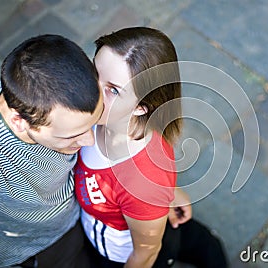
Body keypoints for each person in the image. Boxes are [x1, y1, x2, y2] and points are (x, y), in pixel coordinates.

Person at [74, 27, 227, 268]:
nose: (93, 92)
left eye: (113, 90)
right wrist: (169, 193)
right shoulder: (99, 117)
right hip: (149, 217)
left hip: (119, 256)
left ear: (141, 107)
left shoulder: (140, 182)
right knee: (202, 244)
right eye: (94, 71)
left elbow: (145, 253)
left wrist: (157, 195)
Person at [0, 34, 104, 268]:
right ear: (19, 121)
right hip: (36, 250)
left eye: (93, 123)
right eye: (71, 136)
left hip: (77, 216)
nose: (90, 140)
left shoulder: (41, 90)